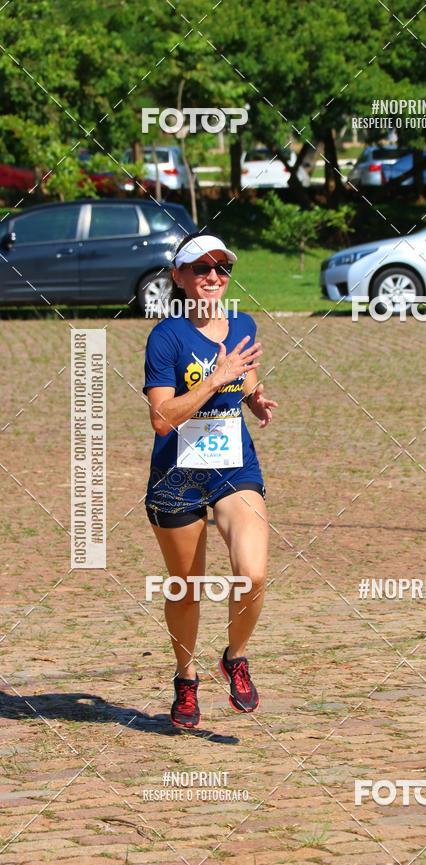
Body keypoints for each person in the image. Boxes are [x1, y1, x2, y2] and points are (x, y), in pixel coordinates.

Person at [143, 232, 277, 728]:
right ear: (178, 277)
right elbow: (161, 418)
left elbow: (243, 376)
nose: (213, 277)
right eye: (200, 268)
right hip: (177, 477)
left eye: (221, 268)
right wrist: (216, 380)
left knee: (253, 573)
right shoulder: (166, 337)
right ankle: (185, 678)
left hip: (232, 469)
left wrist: (253, 396)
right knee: (185, 588)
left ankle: (235, 657)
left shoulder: (242, 323)